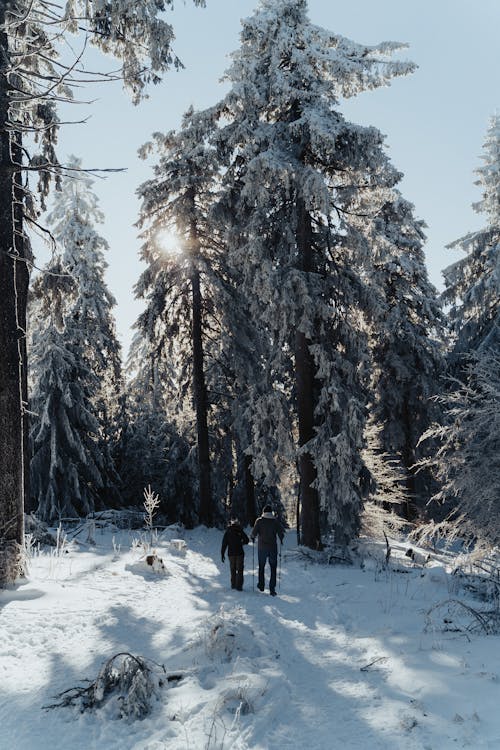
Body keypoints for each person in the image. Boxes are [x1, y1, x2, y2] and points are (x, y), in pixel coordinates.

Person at [251, 505, 284, 596]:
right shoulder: (275, 521)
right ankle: (272, 589)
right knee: (273, 568)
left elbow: (253, 533)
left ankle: (261, 585)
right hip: (273, 548)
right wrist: (281, 539)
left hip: (262, 548)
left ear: (263, 512)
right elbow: (281, 532)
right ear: (271, 512)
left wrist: (253, 538)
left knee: (261, 567)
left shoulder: (259, 521)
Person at [221, 518, 249, 591]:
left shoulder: (228, 532)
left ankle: (233, 585)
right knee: (240, 570)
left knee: (232, 569)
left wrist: (222, 554)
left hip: (231, 554)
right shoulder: (240, 530)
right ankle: (239, 586)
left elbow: (224, 544)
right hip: (240, 553)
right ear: (237, 524)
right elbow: (247, 540)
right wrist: (241, 543)